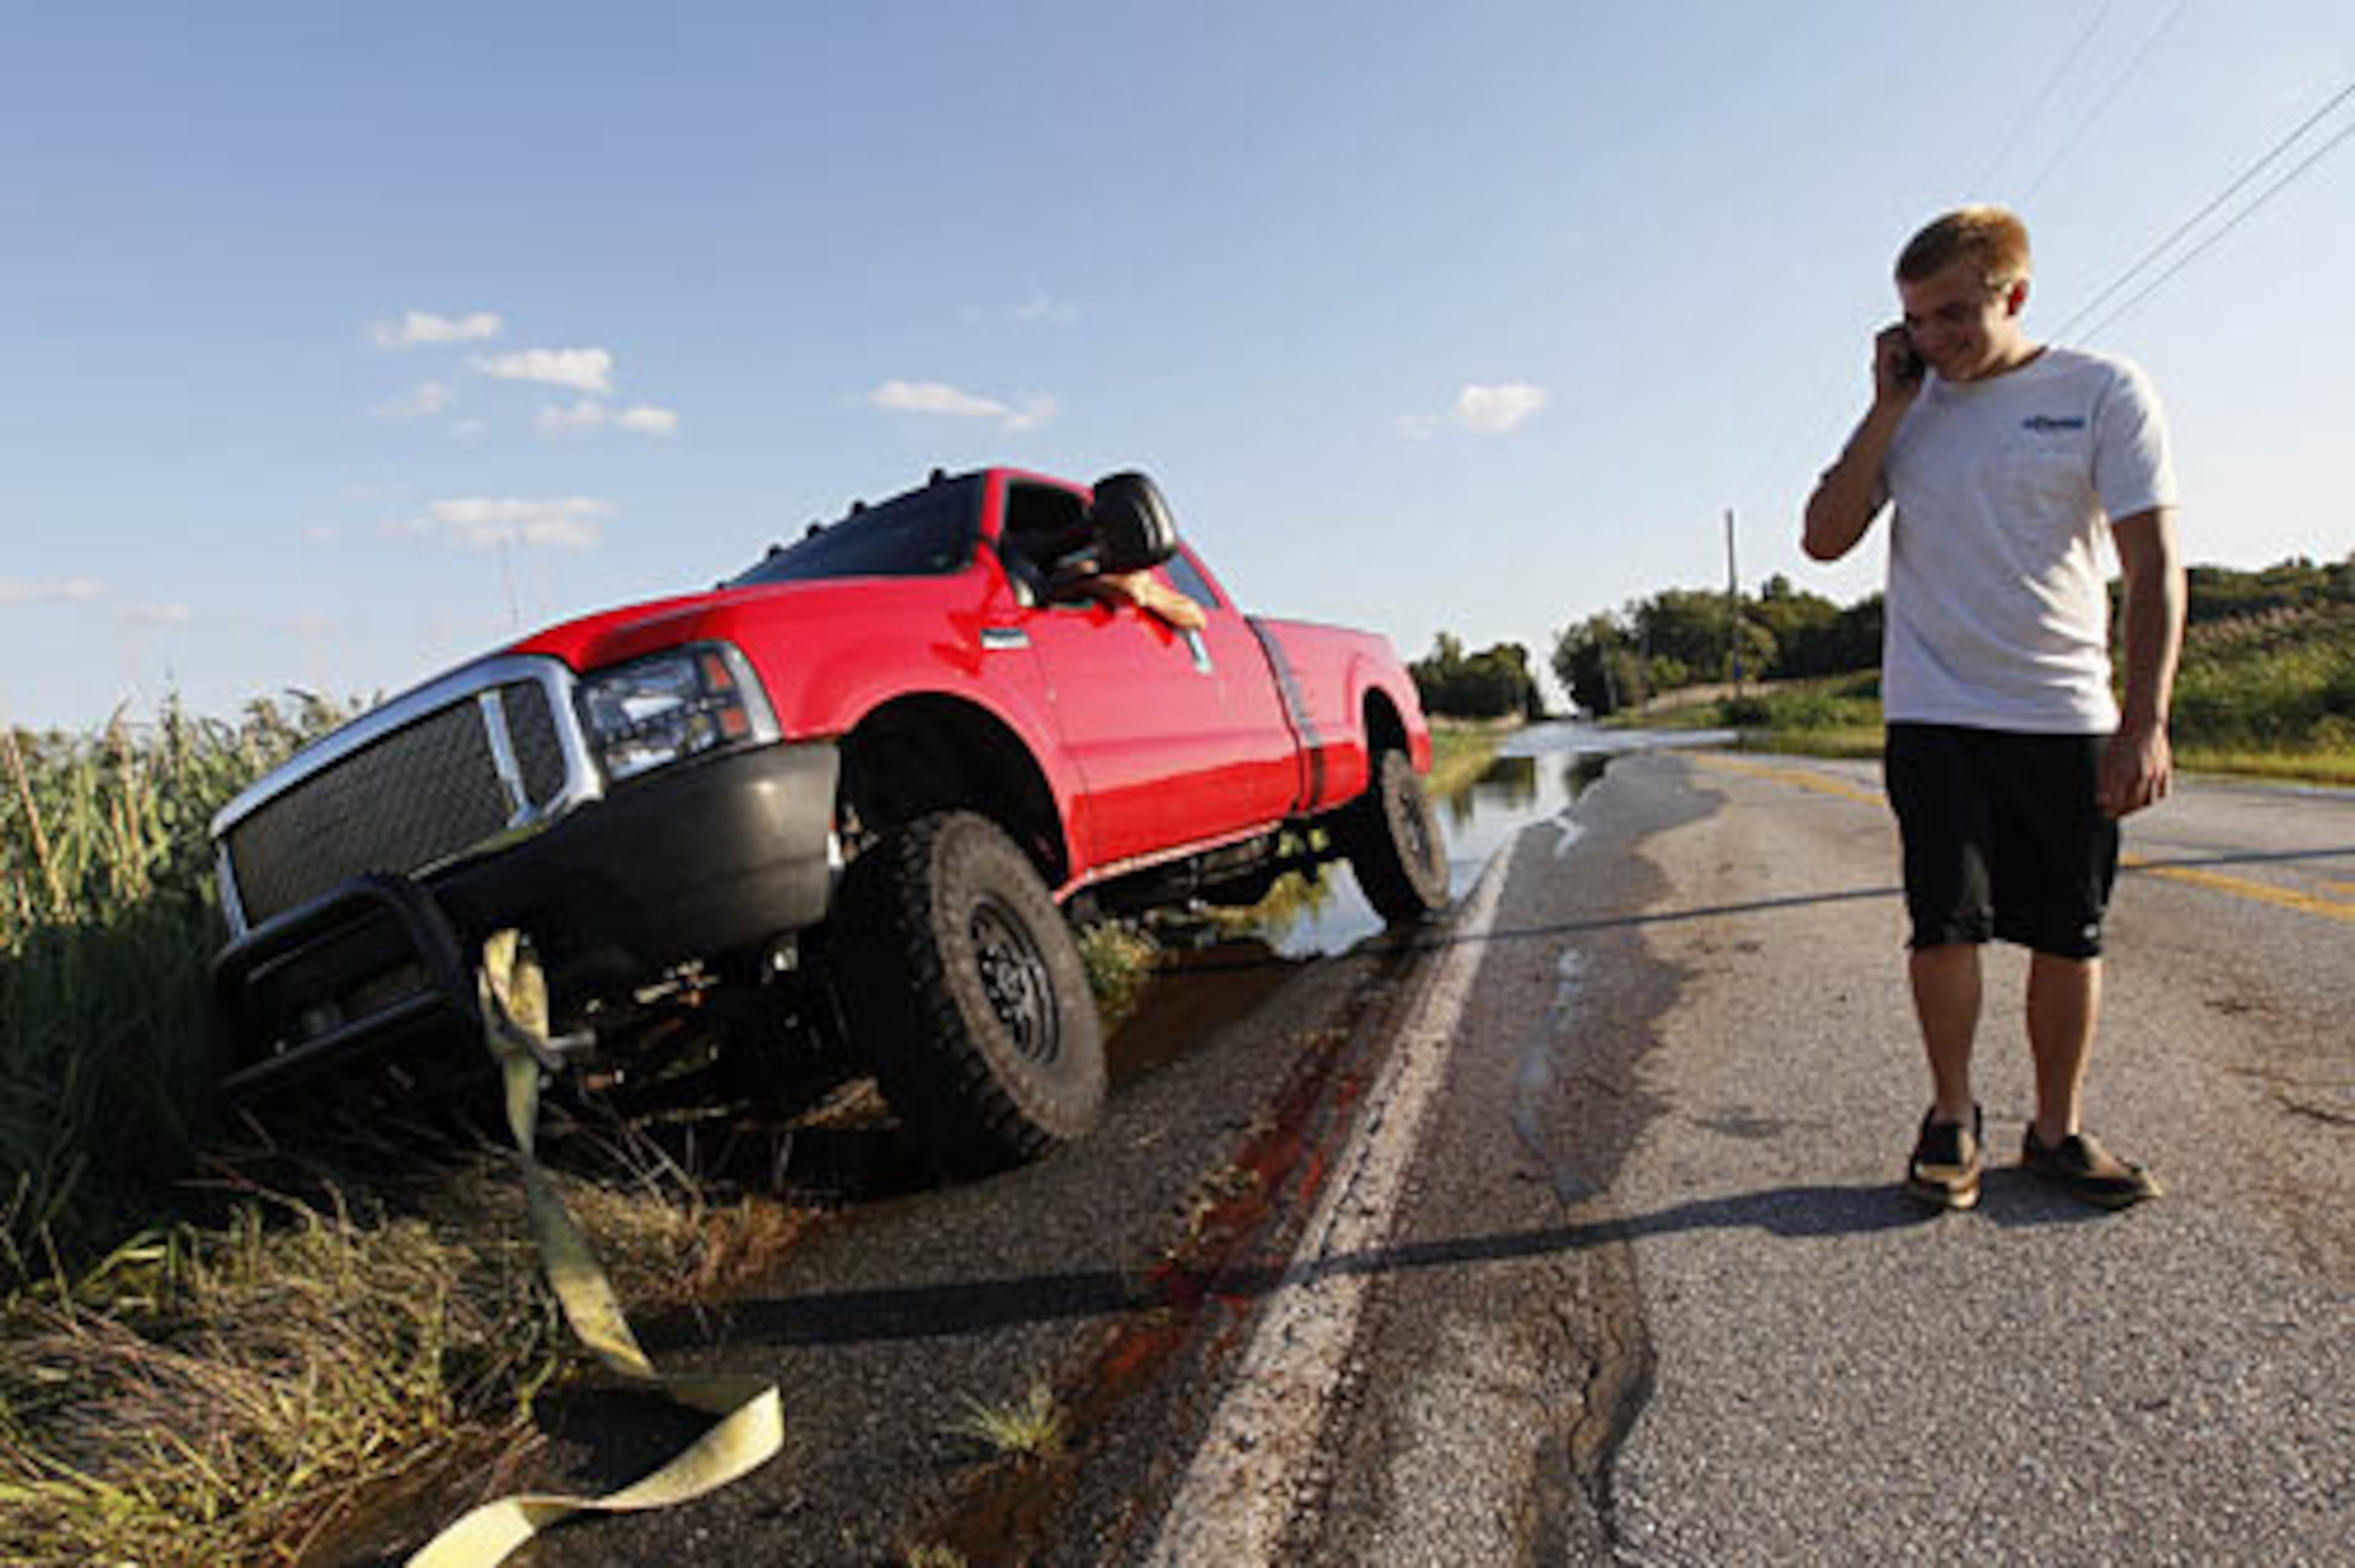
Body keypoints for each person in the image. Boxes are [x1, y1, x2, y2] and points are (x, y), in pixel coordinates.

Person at [1802, 205, 2186, 1211]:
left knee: (2072, 930)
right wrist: (1888, 406)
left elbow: (2152, 566)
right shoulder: (1908, 408)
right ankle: (1951, 1115)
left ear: (2015, 295)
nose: (1934, 338)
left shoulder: (2102, 391)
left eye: (1954, 315)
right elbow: (1824, 538)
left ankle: (2055, 1131)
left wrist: (2145, 717)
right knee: (1945, 923)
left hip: (2064, 710)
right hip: (1934, 711)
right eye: (1914, 320)